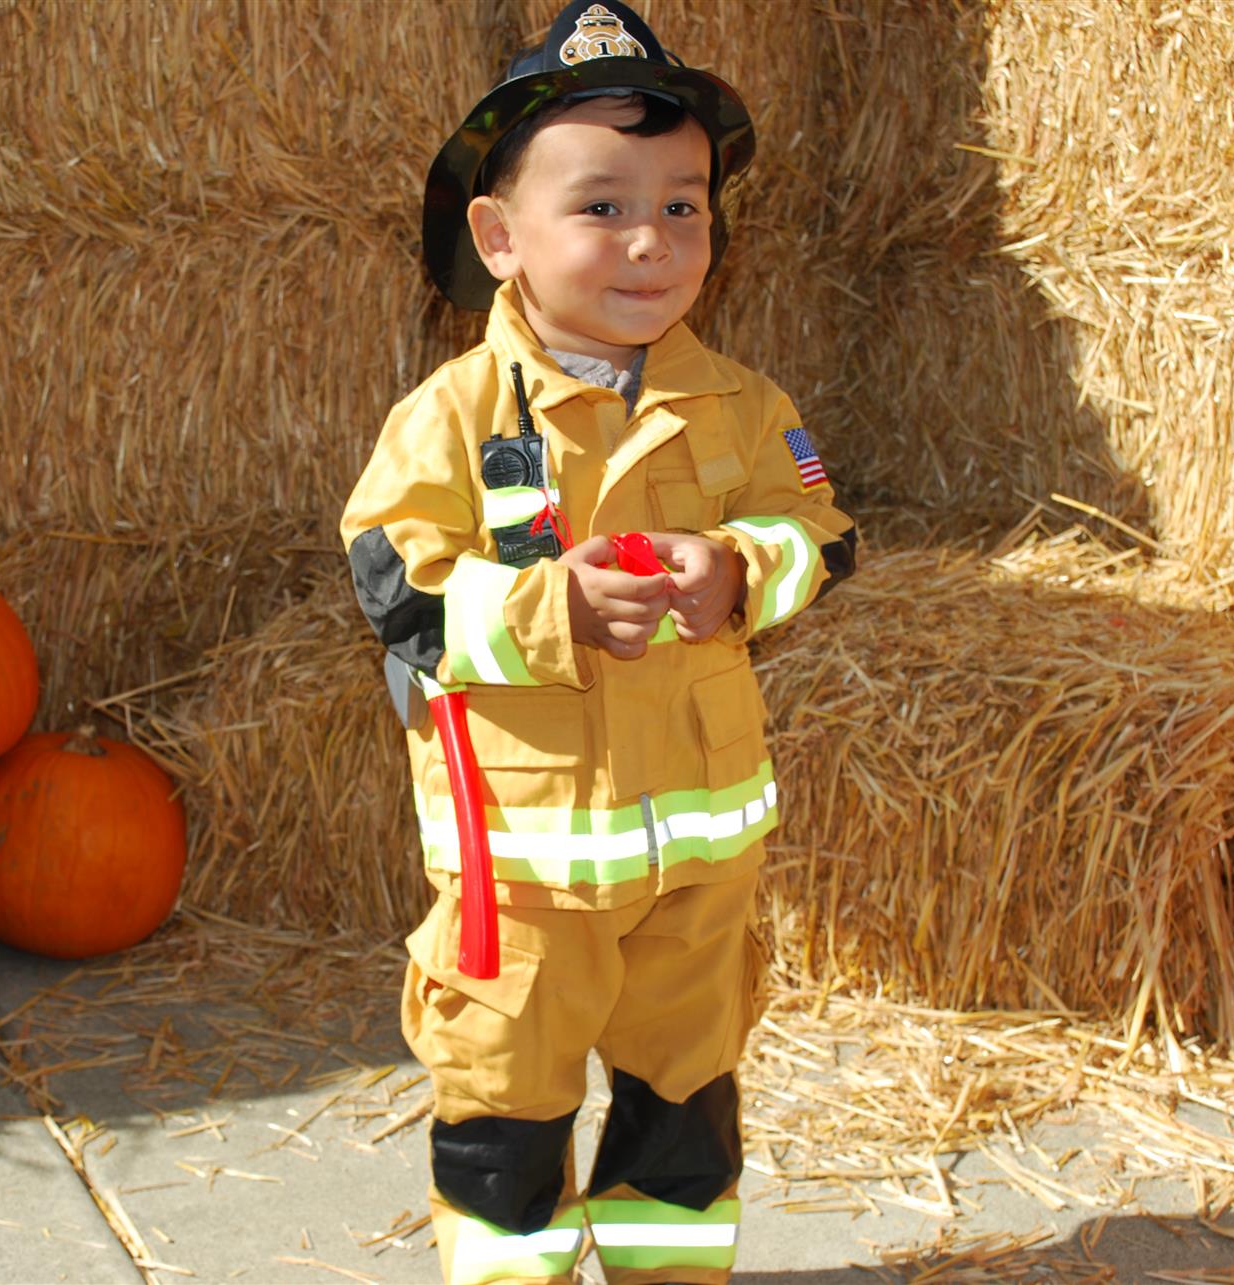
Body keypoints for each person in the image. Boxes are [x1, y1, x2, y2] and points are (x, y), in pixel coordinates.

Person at [340, 3, 858, 1281]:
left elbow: (823, 533)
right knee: (507, 1104)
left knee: (685, 1106)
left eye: (685, 206)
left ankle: (665, 1266)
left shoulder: (742, 406)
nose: (652, 240)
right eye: (603, 206)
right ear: (499, 236)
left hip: (700, 852)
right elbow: (395, 587)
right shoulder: (451, 416)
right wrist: (543, 608)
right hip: (523, 870)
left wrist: (742, 565)